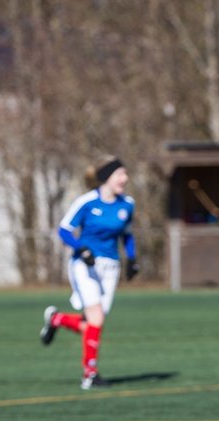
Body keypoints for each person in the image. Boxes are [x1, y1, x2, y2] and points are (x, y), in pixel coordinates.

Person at [39, 156, 139, 389]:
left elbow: (127, 234)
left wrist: (132, 259)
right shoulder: (86, 202)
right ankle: (90, 375)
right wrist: (80, 249)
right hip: (85, 266)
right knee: (96, 318)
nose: (125, 179)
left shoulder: (127, 204)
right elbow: (64, 230)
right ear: (106, 178)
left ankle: (56, 319)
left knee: (93, 323)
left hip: (110, 268)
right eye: (120, 174)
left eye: (125, 174)